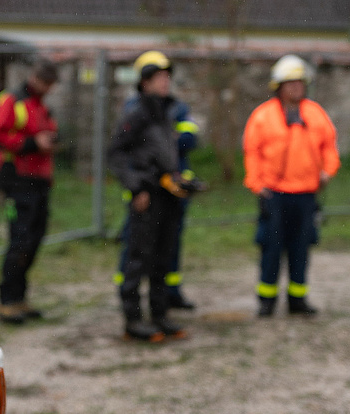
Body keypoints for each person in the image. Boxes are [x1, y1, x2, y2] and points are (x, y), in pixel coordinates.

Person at [108, 51, 198, 341]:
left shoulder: (166, 112)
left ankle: (159, 315)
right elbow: (116, 153)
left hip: (168, 195)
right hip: (146, 197)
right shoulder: (137, 114)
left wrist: (179, 179)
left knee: (163, 256)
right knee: (138, 258)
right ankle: (133, 320)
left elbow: (164, 154)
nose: (166, 82)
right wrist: (137, 187)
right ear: (145, 83)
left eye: (167, 77)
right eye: (160, 77)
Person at [243, 55, 340, 318]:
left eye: (300, 82)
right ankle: (267, 300)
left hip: (306, 195)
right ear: (278, 86)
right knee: (271, 249)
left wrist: (328, 172)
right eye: (290, 83)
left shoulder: (316, 114)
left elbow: (330, 147)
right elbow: (252, 153)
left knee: (301, 249)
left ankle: (298, 300)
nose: (297, 87)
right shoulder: (262, 116)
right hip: (274, 195)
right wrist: (256, 184)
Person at [0, 59, 59, 324]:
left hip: (39, 180)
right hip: (17, 180)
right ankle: (7, 301)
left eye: (50, 85)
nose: (47, 89)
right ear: (35, 78)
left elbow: (47, 133)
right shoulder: (12, 100)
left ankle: (20, 299)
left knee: (34, 240)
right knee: (20, 241)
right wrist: (32, 143)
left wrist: (50, 141)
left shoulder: (41, 105)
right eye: (45, 83)